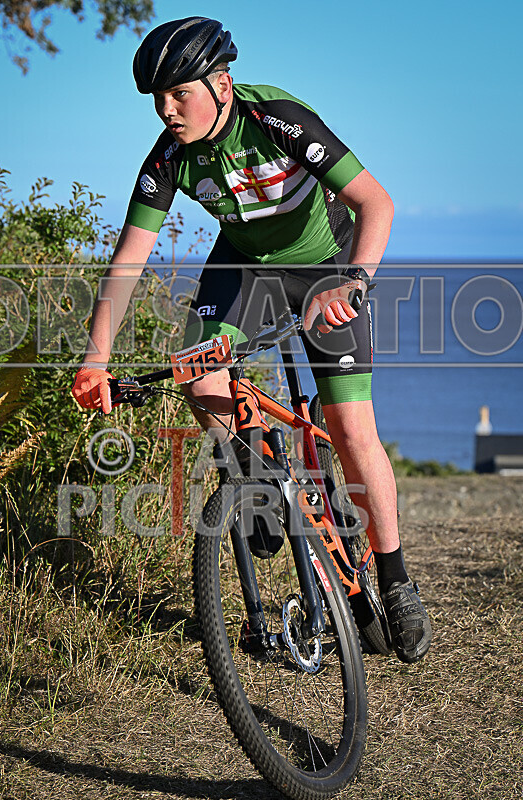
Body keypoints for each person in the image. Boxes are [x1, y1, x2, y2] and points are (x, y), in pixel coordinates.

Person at [72, 17, 432, 664]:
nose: (167, 110)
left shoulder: (276, 118)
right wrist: (95, 359)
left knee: (352, 431)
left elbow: (376, 204)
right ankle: (256, 476)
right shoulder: (168, 158)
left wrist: (352, 283)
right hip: (245, 267)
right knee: (196, 370)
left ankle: (395, 578)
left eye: (179, 93)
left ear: (222, 84)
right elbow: (128, 261)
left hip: (327, 266)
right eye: (158, 98)